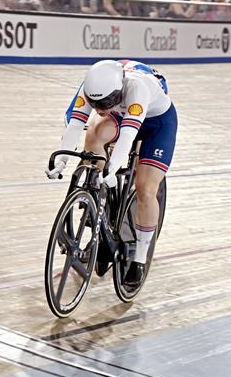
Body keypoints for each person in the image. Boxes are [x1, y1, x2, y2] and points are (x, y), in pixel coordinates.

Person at [46, 59, 178, 287]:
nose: (98, 108)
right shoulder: (91, 89)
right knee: (94, 135)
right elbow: (75, 125)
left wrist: (113, 167)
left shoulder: (138, 88)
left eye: (105, 102)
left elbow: (128, 135)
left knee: (146, 189)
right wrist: (61, 160)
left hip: (157, 124)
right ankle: (102, 197)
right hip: (121, 114)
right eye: (95, 103)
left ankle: (139, 257)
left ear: (118, 91)